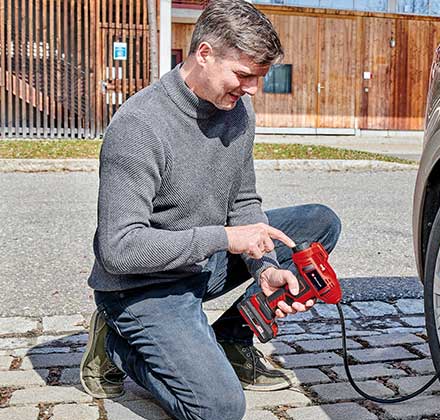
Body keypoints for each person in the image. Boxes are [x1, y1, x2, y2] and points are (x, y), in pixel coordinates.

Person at [78, 1, 341, 419]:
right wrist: (225, 239)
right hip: (140, 285)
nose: (253, 89)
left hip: (200, 261)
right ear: (204, 54)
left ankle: (233, 338)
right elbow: (118, 248)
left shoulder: (237, 111)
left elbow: (243, 202)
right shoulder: (139, 126)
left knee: (318, 224)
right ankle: (117, 344)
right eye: (244, 75)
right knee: (219, 409)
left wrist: (266, 269)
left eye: (260, 77)